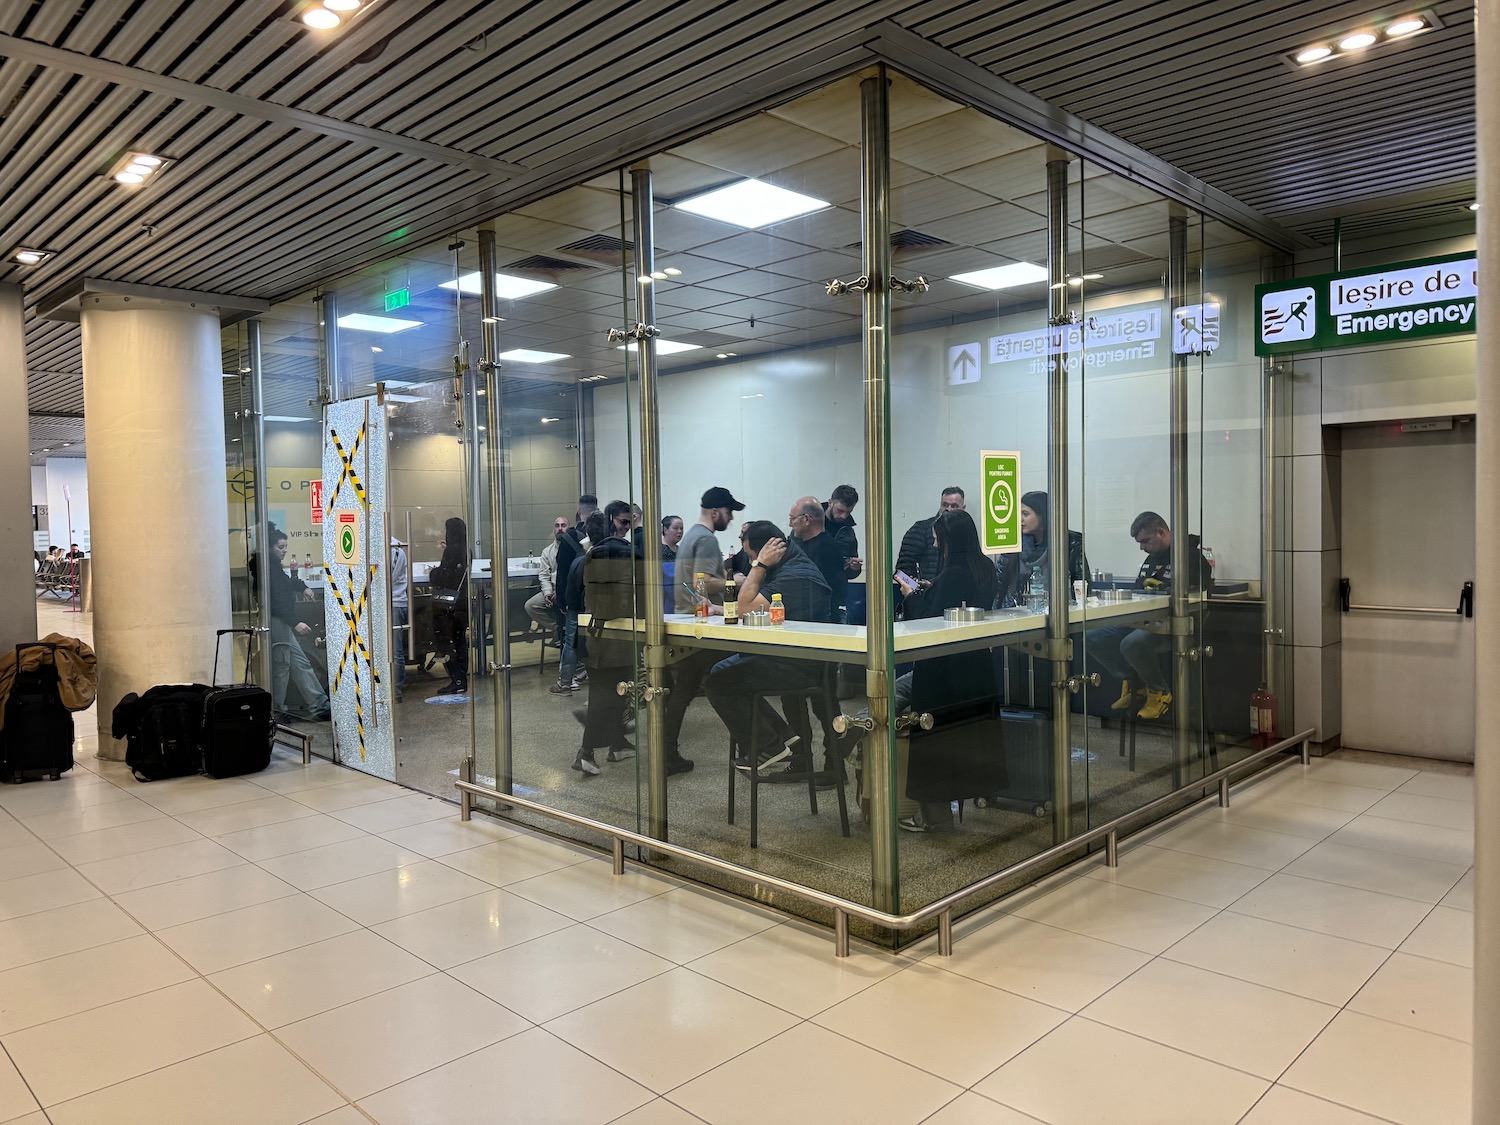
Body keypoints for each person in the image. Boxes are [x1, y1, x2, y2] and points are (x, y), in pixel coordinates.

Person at [705, 520, 831, 774]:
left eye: (753, 557)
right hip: (786, 656)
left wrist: (759, 565)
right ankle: (781, 734)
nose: (752, 564)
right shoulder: (787, 567)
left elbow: (744, 607)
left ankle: (768, 745)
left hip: (801, 665)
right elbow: (757, 610)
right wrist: (718, 609)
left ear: (768, 553)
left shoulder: (794, 575)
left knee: (719, 683)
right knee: (720, 670)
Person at [1087, 510, 1211, 721]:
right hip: (1147, 621)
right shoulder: (1151, 559)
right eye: (1139, 543)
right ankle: (1135, 684)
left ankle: (1159, 692)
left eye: (1145, 541)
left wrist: (1165, 588)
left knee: (1131, 644)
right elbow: (1139, 591)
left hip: (1178, 625)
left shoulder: (1189, 556)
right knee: (1093, 636)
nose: (1142, 547)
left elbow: (1192, 594)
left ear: (1161, 532)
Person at [660, 487, 745, 775]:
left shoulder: (691, 538)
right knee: (733, 681)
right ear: (715, 511)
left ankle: (667, 753)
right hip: (704, 626)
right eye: (729, 512)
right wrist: (736, 581)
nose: (730, 518)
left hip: (687, 620)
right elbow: (705, 583)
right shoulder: (707, 539)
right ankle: (759, 746)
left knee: (683, 691)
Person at [572, 504, 641, 776]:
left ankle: (616, 744)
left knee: (607, 695)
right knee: (608, 698)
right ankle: (586, 752)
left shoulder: (589, 557)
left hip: (594, 636)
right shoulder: (629, 555)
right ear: (614, 524)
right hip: (622, 638)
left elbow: (574, 598)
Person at [250, 525, 330, 721]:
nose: (284, 550)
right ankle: (277, 710)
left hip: (282, 621)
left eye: (286, 546)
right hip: (279, 621)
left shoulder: (273, 567)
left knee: (300, 664)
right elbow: (276, 601)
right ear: (270, 548)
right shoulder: (268, 569)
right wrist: (295, 622)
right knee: (282, 667)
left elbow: (286, 584)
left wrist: (302, 587)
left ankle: (319, 706)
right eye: (280, 547)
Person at [994, 491, 1089, 608]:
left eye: (1025, 514)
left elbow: (1082, 584)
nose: (1020, 519)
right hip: (1016, 611)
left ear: (1042, 515)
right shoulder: (1014, 542)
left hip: (1059, 611)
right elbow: (999, 584)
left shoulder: (1068, 541)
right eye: (1019, 514)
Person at [551, 511, 604, 694]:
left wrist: (565, 603)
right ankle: (594, 678)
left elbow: (566, 578)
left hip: (577, 603)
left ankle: (565, 682)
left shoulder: (576, 550)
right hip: (601, 605)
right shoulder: (611, 549)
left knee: (571, 641)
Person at [787, 496, 846, 625]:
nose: (790, 524)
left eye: (792, 519)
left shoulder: (827, 550)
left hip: (819, 624)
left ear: (806, 519)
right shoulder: (798, 544)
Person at [428, 516, 470, 695]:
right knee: (460, 641)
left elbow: (444, 577)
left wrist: (433, 572)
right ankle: (462, 679)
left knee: (445, 641)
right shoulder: (466, 549)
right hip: (462, 603)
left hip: (448, 606)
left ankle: (456, 678)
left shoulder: (452, 551)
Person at [896, 486, 965, 591]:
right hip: (926, 599)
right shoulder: (920, 529)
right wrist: (917, 589)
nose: (948, 509)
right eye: (945, 505)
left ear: (963, 508)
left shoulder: (966, 534)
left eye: (954, 506)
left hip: (957, 595)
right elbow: (901, 573)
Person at [525, 516, 570, 639]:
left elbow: (574, 576)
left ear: (569, 528)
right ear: (553, 530)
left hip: (568, 591)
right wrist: (547, 593)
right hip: (552, 589)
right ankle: (558, 628)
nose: (560, 528)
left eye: (563, 525)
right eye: (557, 526)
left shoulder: (574, 549)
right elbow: (544, 576)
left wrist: (560, 593)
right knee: (531, 606)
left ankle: (568, 628)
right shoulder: (547, 552)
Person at [390, 535, 408, 703]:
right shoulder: (396, 547)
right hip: (395, 602)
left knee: (395, 651)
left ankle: (395, 691)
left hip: (394, 603)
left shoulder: (393, 548)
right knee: (395, 650)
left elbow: (385, 578)